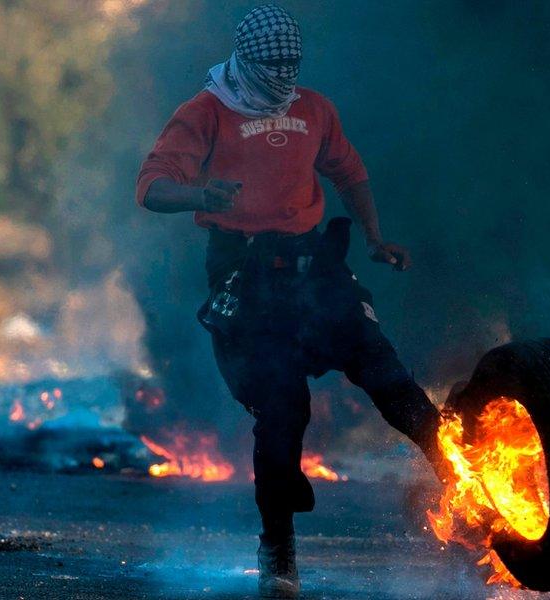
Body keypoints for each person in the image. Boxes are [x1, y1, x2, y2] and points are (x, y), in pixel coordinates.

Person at [135, 5, 444, 598]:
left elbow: (349, 172)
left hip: (315, 264)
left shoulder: (314, 109)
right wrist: (201, 194)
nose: (282, 78)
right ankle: (277, 554)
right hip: (246, 272)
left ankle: (463, 478)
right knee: (282, 412)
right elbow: (151, 187)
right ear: (245, 62)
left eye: (290, 66)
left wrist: (375, 239)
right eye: (270, 67)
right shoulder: (204, 113)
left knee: (385, 372)